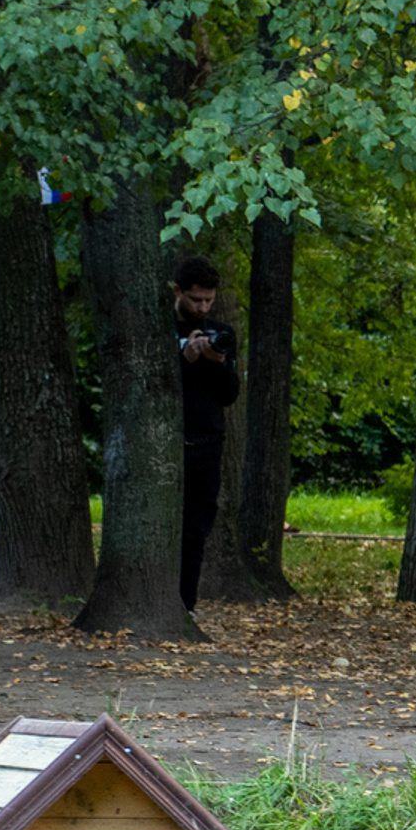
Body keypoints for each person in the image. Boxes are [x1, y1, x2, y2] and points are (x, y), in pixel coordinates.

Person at [174, 255, 239, 609]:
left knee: (196, 530)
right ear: (178, 292)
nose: (202, 308)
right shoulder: (160, 330)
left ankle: (186, 607)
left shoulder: (220, 335)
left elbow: (229, 395)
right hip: (170, 443)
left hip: (207, 444)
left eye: (208, 301)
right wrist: (185, 358)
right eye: (195, 299)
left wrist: (217, 362)